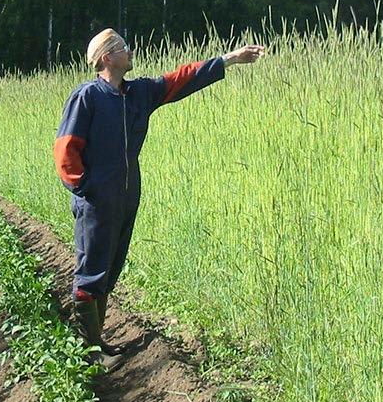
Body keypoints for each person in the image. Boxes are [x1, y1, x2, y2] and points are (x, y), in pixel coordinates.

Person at [53, 28, 265, 371]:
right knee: (91, 271)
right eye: (123, 46)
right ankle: (88, 351)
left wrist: (229, 59)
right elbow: (65, 151)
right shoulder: (87, 97)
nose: (129, 49)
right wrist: (88, 190)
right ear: (107, 57)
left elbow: (181, 78)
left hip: (125, 197)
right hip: (96, 201)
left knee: (110, 269)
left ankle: (97, 341)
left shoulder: (139, 93)